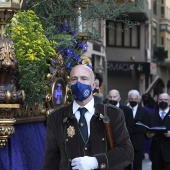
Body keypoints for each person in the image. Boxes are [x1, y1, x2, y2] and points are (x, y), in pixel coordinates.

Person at [43, 65, 134, 170]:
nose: (78, 83)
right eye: (74, 79)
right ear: (69, 85)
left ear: (94, 85)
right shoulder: (56, 117)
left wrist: (97, 162)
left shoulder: (112, 114)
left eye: (84, 79)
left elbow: (127, 152)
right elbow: (51, 159)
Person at [125, 89, 150, 170]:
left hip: (139, 142)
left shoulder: (144, 111)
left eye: (135, 99)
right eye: (131, 99)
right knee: (126, 165)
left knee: (138, 165)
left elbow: (147, 125)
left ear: (138, 99)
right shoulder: (124, 110)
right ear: (128, 99)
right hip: (126, 142)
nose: (133, 101)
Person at [148, 93, 170, 170]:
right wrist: (148, 135)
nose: (163, 101)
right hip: (156, 152)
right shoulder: (152, 116)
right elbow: (147, 131)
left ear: (169, 102)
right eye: (161, 100)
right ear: (157, 102)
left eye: (166, 100)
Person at [141, 93, 156, 158]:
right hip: (154, 126)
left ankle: (145, 152)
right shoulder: (155, 108)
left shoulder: (144, 109)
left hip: (146, 126)